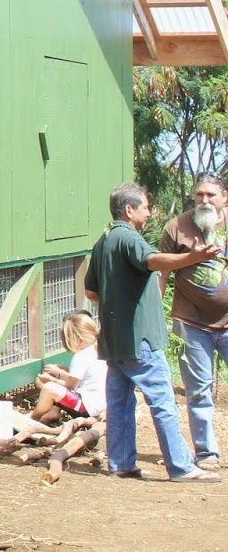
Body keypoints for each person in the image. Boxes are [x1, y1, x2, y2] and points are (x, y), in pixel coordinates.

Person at [85, 181, 221, 482]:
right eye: (145, 208)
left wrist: (118, 295)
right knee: (162, 402)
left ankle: (121, 463)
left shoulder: (103, 241)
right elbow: (151, 260)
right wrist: (192, 258)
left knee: (119, 404)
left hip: (115, 341)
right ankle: (181, 466)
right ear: (129, 209)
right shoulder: (129, 238)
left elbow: (91, 292)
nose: (148, 213)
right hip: (140, 339)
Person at [160, 172, 228, 470]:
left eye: (211, 195)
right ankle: (206, 452)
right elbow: (161, 270)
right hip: (191, 322)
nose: (204, 200)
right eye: (200, 194)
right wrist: (155, 313)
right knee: (198, 390)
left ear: (225, 198)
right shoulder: (177, 227)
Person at [29, 311, 106, 424]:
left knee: (49, 388)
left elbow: (70, 387)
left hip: (86, 408)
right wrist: (59, 375)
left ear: (79, 340)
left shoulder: (81, 356)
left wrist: (52, 380)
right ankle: (47, 414)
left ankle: (33, 418)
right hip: (101, 405)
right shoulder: (99, 351)